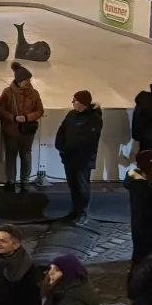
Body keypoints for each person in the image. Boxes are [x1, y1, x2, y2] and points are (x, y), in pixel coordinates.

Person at [56, 90, 104, 223]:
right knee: (73, 184)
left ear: (83, 103)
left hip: (83, 158)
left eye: (75, 100)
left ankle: (82, 212)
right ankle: (75, 209)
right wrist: (60, 146)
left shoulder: (94, 118)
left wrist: (69, 148)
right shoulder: (72, 115)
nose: (73, 102)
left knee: (82, 185)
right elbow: (62, 130)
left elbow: (88, 140)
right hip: (69, 157)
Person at [0, 62, 44, 193]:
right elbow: (1, 109)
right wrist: (13, 118)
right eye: (26, 80)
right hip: (11, 130)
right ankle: (10, 181)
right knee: (11, 155)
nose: (28, 82)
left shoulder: (34, 93)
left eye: (29, 79)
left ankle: (25, 181)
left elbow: (39, 111)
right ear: (19, 80)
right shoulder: (7, 92)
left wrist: (27, 117)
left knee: (26, 155)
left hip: (27, 131)